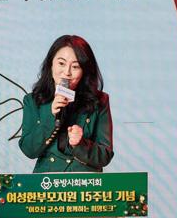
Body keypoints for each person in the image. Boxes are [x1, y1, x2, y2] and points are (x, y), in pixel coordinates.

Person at [19, 35, 114, 173]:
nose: (67, 72)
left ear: (84, 71)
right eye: (61, 63)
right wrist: (50, 115)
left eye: (75, 66)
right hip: (47, 181)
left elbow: (105, 155)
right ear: (51, 64)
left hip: (84, 181)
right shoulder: (33, 101)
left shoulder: (99, 101)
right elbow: (29, 150)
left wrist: (80, 144)